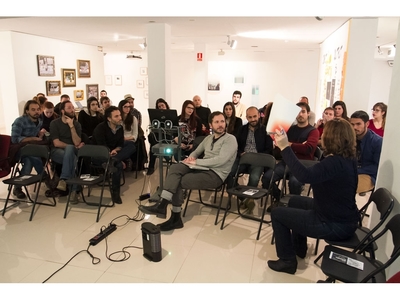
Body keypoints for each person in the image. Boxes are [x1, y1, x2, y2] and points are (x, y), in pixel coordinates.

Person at [267, 118, 360, 275]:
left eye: (325, 134)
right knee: (294, 200)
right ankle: (299, 248)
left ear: (331, 138)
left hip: (333, 223)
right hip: (340, 216)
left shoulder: (335, 163)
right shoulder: (346, 158)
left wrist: (284, 147)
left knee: (276, 214)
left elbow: (304, 176)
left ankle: (287, 261)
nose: (321, 136)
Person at [139, 111, 238, 231]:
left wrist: (196, 162)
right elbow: (196, 152)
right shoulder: (208, 138)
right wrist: (191, 158)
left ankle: (174, 217)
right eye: (216, 122)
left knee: (178, 181)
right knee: (174, 168)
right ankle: (163, 205)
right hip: (202, 167)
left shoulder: (230, 139)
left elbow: (221, 160)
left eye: (222, 121)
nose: (220, 124)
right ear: (210, 125)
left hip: (215, 174)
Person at [262, 102, 319, 208]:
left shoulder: (313, 131)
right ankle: (280, 199)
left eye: (303, 111)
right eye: (298, 112)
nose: (300, 114)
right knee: (266, 178)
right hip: (287, 162)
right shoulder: (290, 129)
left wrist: (288, 144)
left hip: (303, 164)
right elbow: (281, 147)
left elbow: (308, 149)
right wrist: (293, 146)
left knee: (294, 182)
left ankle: (293, 205)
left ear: (308, 114)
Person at [230, 106, 273, 213]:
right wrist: (241, 153)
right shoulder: (242, 129)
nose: (253, 119)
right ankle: (245, 198)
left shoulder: (265, 130)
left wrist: (259, 156)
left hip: (259, 159)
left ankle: (247, 198)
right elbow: (236, 146)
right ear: (247, 118)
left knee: (254, 178)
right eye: (250, 117)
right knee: (228, 173)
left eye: (255, 116)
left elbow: (269, 149)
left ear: (259, 115)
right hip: (243, 158)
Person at [93, 106, 135, 204]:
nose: (120, 118)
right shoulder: (101, 128)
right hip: (100, 154)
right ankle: (115, 193)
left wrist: (116, 150)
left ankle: (115, 160)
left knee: (131, 145)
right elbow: (101, 146)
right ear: (109, 118)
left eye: (119, 115)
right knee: (118, 165)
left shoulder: (120, 128)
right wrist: (110, 153)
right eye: (116, 116)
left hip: (113, 153)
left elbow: (120, 143)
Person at [10, 100, 47, 199]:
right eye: (33, 110)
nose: (37, 112)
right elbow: (14, 139)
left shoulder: (39, 120)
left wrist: (39, 135)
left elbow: (35, 136)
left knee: (29, 162)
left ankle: (17, 188)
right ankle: (44, 175)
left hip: (31, 150)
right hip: (18, 150)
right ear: (27, 111)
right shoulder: (19, 121)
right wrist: (32, 139)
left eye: (38, 109)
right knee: (31, 153)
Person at [50, 100, 84, 203]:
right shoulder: (54, 123)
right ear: (63, 111)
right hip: (57, 152)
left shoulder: (76, 124)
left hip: (73, 150)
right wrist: (72, 146)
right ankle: (74, 191)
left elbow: (77, 142)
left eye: (73, 107)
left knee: (70, 152)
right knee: (71, 157)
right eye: (69, 108)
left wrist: (71, 126)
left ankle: (63, 179)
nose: (72, 110)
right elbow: (56, 143)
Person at [350, 110, 383, 194]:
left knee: (346, 187)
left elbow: (377, 166)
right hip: (352, 170)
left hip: (368, 174)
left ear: (367, 124)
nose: (354, 127)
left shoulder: (377, 141)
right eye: (352, 124)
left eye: (358, 124)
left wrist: (355, 171)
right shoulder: (350, 138)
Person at [147, 98, 172, 175]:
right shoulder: (155, 116)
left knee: (153, 146)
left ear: (166, 106)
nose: (161, 107)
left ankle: (151, 167)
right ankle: (165, 156)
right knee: (151, 136)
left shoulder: (171, 114)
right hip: (158, 135)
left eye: (162, 105)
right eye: (159, 106)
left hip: (168, 135)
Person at [118, 99, 138, 171]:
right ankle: (121, 160)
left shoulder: (133, 118)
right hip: (119, 139)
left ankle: (117, 159)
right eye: (125, 107)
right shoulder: (118, 118)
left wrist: (126, 138)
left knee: (130, 146)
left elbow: (135, 135)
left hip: (129, 140)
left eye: (129, 107)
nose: (127, 109)